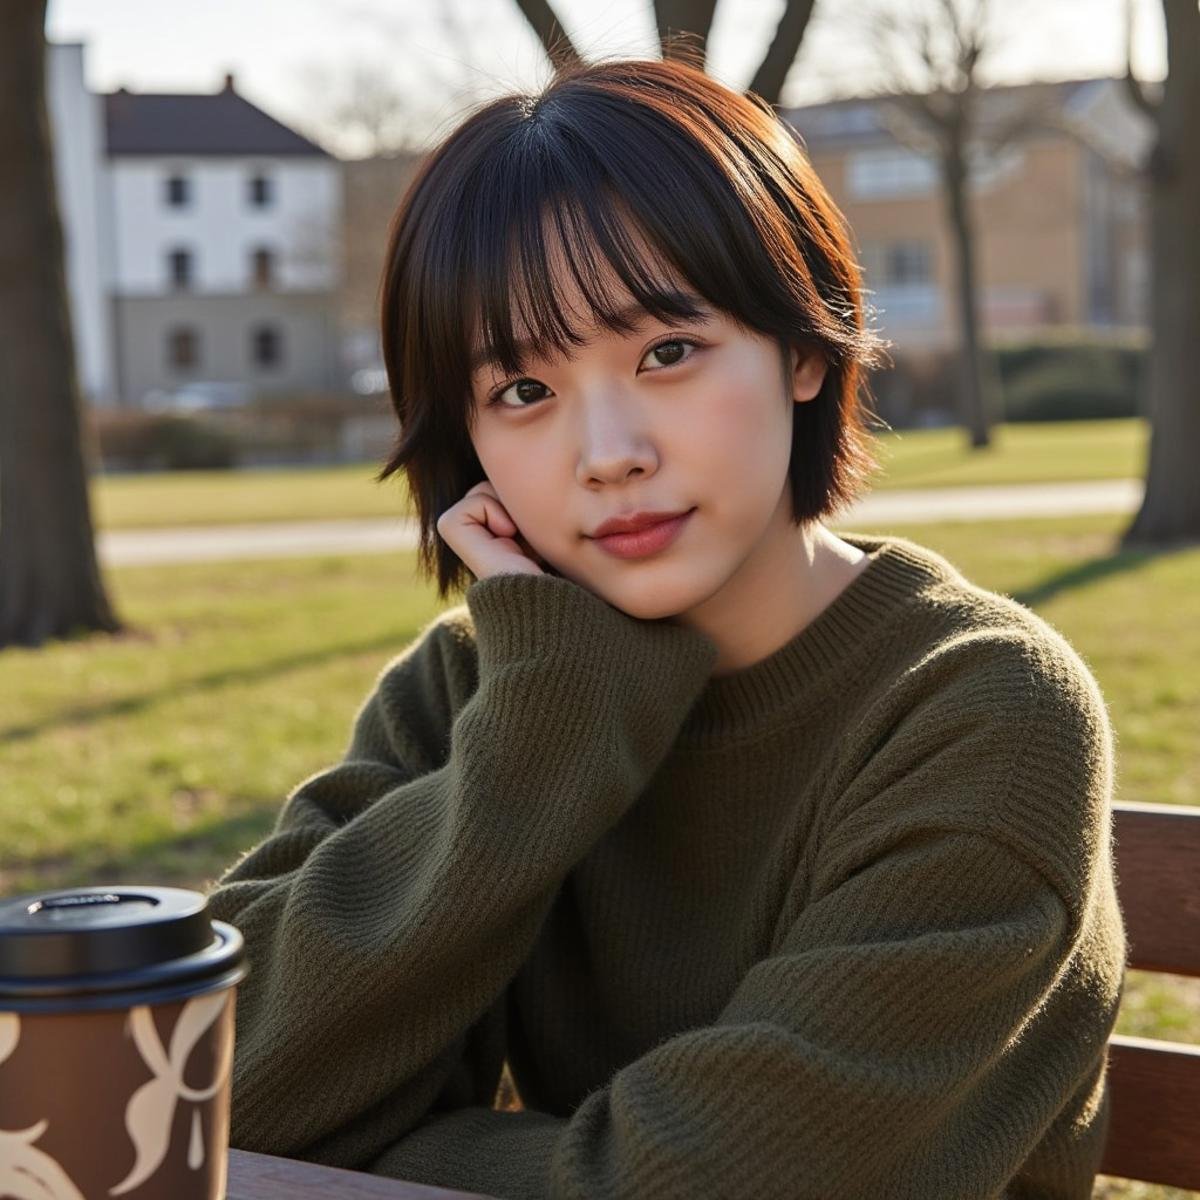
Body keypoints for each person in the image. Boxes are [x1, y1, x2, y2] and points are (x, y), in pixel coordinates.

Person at [204, 54, 1126, 1200]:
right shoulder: (474, 690)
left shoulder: (982, 714)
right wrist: (544, 729)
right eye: (523, 393)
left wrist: (396, 1155)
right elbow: (210, 1086)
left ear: (801, 346)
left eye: (668, 353)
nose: (608, 455)